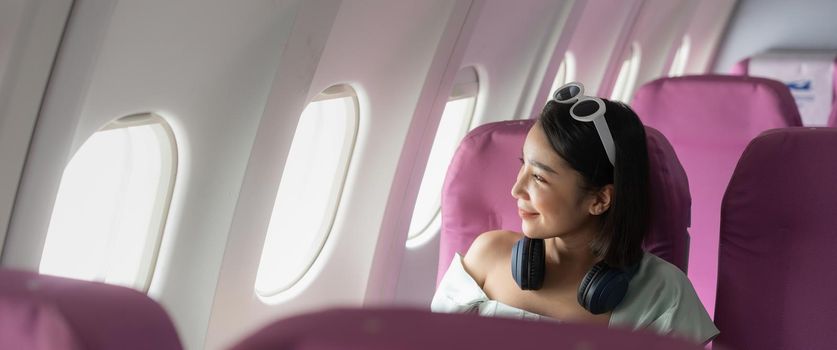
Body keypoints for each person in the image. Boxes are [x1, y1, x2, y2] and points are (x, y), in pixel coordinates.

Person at [431, 82, 718, 345]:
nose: (516, 190)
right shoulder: (487, 256)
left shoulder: (663, 294)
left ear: (599, 200)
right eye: (523, 165)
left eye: (540, 178)